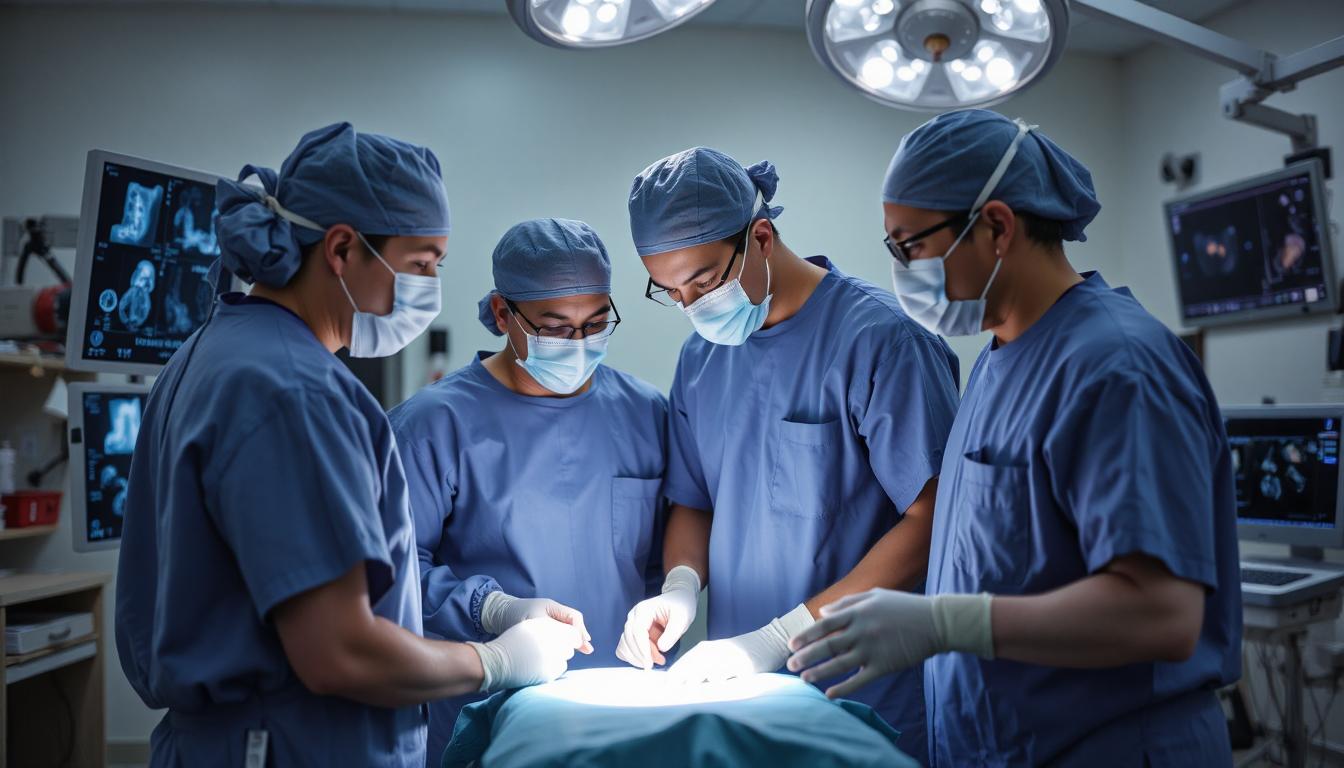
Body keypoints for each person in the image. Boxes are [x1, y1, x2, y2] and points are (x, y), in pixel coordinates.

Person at [115, 123, 582, 768]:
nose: (429, 287)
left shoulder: (214, 350)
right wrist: (498, 661)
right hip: (290, 746)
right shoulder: (294, 390)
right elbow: (340, 652)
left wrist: (493, 613)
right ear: (341, 249)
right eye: (420, 264)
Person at [787, 109, 1242, 767]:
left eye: (909, 244)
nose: (901, 268)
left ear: (996, 225)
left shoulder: (1117, 366)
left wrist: (945, 624)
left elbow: (1161, 615)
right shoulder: (999, 358)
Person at [616, 147, 960, 763]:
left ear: (761, 237)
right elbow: (694, 502)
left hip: (864, 695)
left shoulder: (882, 340)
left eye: (703, 280)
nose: (691, 306)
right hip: (740, 693)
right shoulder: (701, 360)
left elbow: (934, 521)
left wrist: (781, 637)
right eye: (669, 291)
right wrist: (679, 587)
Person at [389, 217, 669, 765]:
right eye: (556, 327)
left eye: (595, 323)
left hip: (626, 715)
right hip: (486, 721)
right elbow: (390, 573)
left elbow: (669, 548)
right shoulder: (431, 425)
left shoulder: (646, 413)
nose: (580, 343)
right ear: (502, 314)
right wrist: (493, 608)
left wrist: (675, 594)